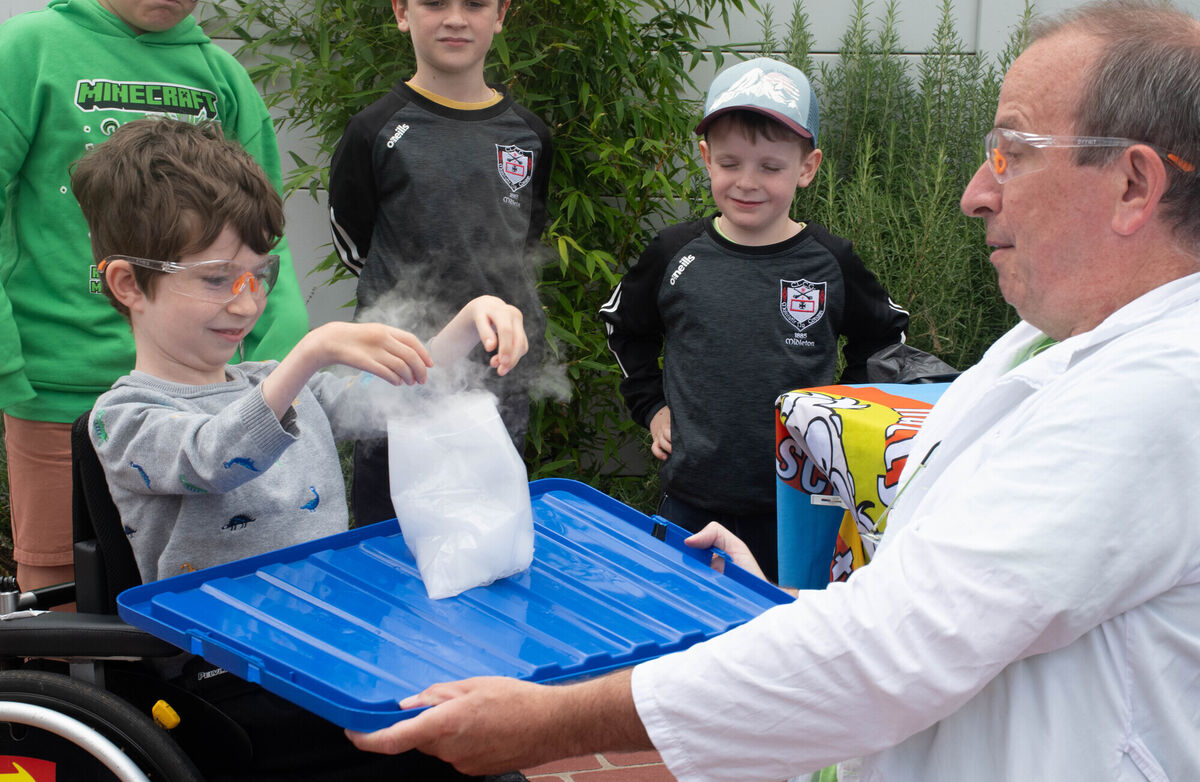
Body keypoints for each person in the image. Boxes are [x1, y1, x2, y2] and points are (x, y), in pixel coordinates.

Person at [343, 2, 1200, 779]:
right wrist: (780, 605)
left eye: (1012, 153)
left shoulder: (1160, 394)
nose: (976, 193)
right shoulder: (1045, 344)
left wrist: (550, 723)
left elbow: (891, 656)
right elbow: (939, 598)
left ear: (1132, 185)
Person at [75, 117, 529, 781]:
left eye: (260, 274)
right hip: (230, 681)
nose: (246, 300)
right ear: (126, 284)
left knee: (481, 740)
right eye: (215, 278)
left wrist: (469, 321)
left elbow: (403, 394)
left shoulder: (275, 384)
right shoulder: (125, 418)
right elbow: (216, 457)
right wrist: (311, 353)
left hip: (330, 648)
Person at [0, 0, 309, 594]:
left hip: (201, 384)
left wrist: (286, 360)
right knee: (62, 573)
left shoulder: (221, 74)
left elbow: (267, 234)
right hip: (62, 377)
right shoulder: (31, 47)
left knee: (202, 570)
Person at [599, 57, 908, 581]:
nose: (747, 182)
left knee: (788, 639)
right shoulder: (676, 253)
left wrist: (842, 428)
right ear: (705, 158)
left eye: (770, 166)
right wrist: (652, 407)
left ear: (807, 168)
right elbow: (622, 327)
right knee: (692, 638)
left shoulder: (831, 262)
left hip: (801, 506)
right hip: (692, 500)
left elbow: (885, 340)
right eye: (730, 162)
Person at [327, 0, 551, 527]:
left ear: (501, 14)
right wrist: (412, 309)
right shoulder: (374, 130)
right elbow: (352, 241)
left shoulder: (530, 134)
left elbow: (523, 238)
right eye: (434, 3)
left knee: (491, 530)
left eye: (475, 4)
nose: (455, 18)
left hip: (496, 370)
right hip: (400, 370)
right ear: (402, 12)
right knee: (389, 534)